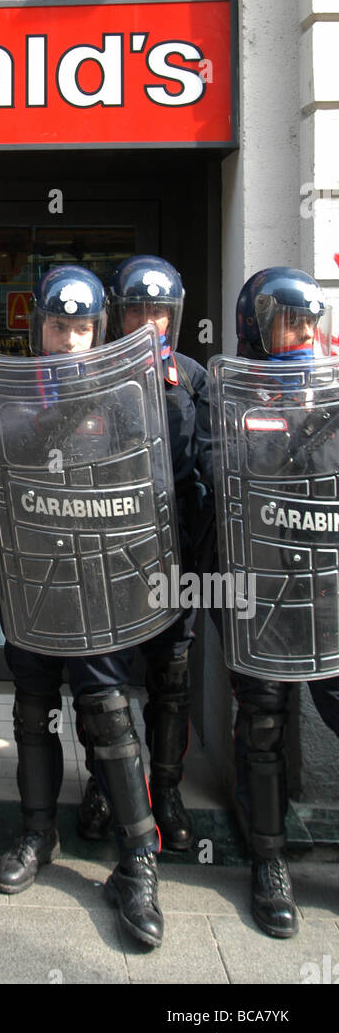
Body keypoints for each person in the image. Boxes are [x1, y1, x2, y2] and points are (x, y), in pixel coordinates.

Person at [0, 265, 166, 946]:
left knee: (110, 715)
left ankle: (137, 865)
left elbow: (151, 492)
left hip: (102, 587)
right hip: (34, 582)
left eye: (83, 327)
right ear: (41, 329)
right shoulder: (12, 395)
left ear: (100, 330)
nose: (72, 340)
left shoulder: (130, 400)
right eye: (60, 325)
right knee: (31, 711)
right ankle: (36, 832)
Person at [212, 267, 339, 938]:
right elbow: (218, 474)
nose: (302, 335)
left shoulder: (333, 390)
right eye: (288, 322)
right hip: (261, 586)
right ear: (255, 326)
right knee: (261, 722)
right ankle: (267, 859)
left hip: (326, 589)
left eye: (307, 322)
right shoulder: (234, 395)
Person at [77, 256, 213, 851]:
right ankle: (105, 783)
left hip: (172, 558)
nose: (148, 323)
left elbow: (211, 478)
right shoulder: (91, 376)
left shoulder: (194, 378)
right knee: (106, 679)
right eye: (138, 310)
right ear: (119, 313)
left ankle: (168, 788)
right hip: (109, 553)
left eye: (160, 312)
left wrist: (203, 567)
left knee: (170, 679)